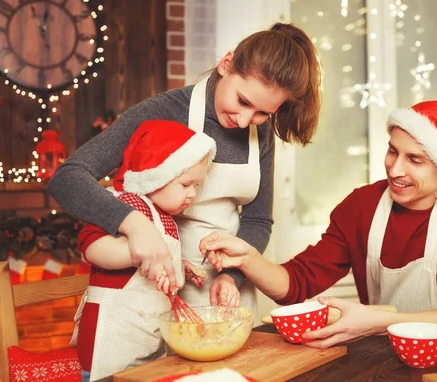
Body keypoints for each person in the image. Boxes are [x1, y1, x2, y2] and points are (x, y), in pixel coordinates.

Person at [47, 22, 322, 313]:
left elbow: (258, 221)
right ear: (226, 65)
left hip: (228, 300)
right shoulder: (164, 112)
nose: (243, 120)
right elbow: (67, 178)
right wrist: (135, 225)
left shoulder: (261, 134)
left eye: (262, 113)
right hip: (154, 297)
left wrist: (232, 276)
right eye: (242, 101)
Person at [198, 100, 437, 348]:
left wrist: (378, 322)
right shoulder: (362, 206)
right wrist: (248, 259)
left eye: (415, 160)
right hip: (382, 357)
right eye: (393, 151)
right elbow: (297, 282)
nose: (395, 169)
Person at [73, 120, 216, 382]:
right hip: (110, 341)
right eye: (185, 184)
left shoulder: (165, 217)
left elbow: (161, 253)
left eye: (197, 186)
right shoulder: (125, 205)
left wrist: (178, 265)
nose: (192, 194)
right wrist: (136, 254)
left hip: (145, 340)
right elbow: (90, 247)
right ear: (157, 175)